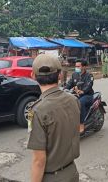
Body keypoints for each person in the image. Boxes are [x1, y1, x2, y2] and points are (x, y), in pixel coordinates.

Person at [27, 54, 80, 182]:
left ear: (33, 75)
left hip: (52, 177)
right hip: (72, 171)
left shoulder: (38, 110)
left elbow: (39, 161)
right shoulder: (73, 100)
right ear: (60, 75)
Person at [65, 59, 94, 133]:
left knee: (80, 102)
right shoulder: (74, 74)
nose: (76, 67)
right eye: (76, 66)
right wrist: (64, 90)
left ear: (84, 67)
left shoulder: (89, 75)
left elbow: (89, 85)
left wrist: (83, 91)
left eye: (78, 66)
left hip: (87, 95)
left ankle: (81, 124)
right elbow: (69, 83)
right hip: (76, 94)